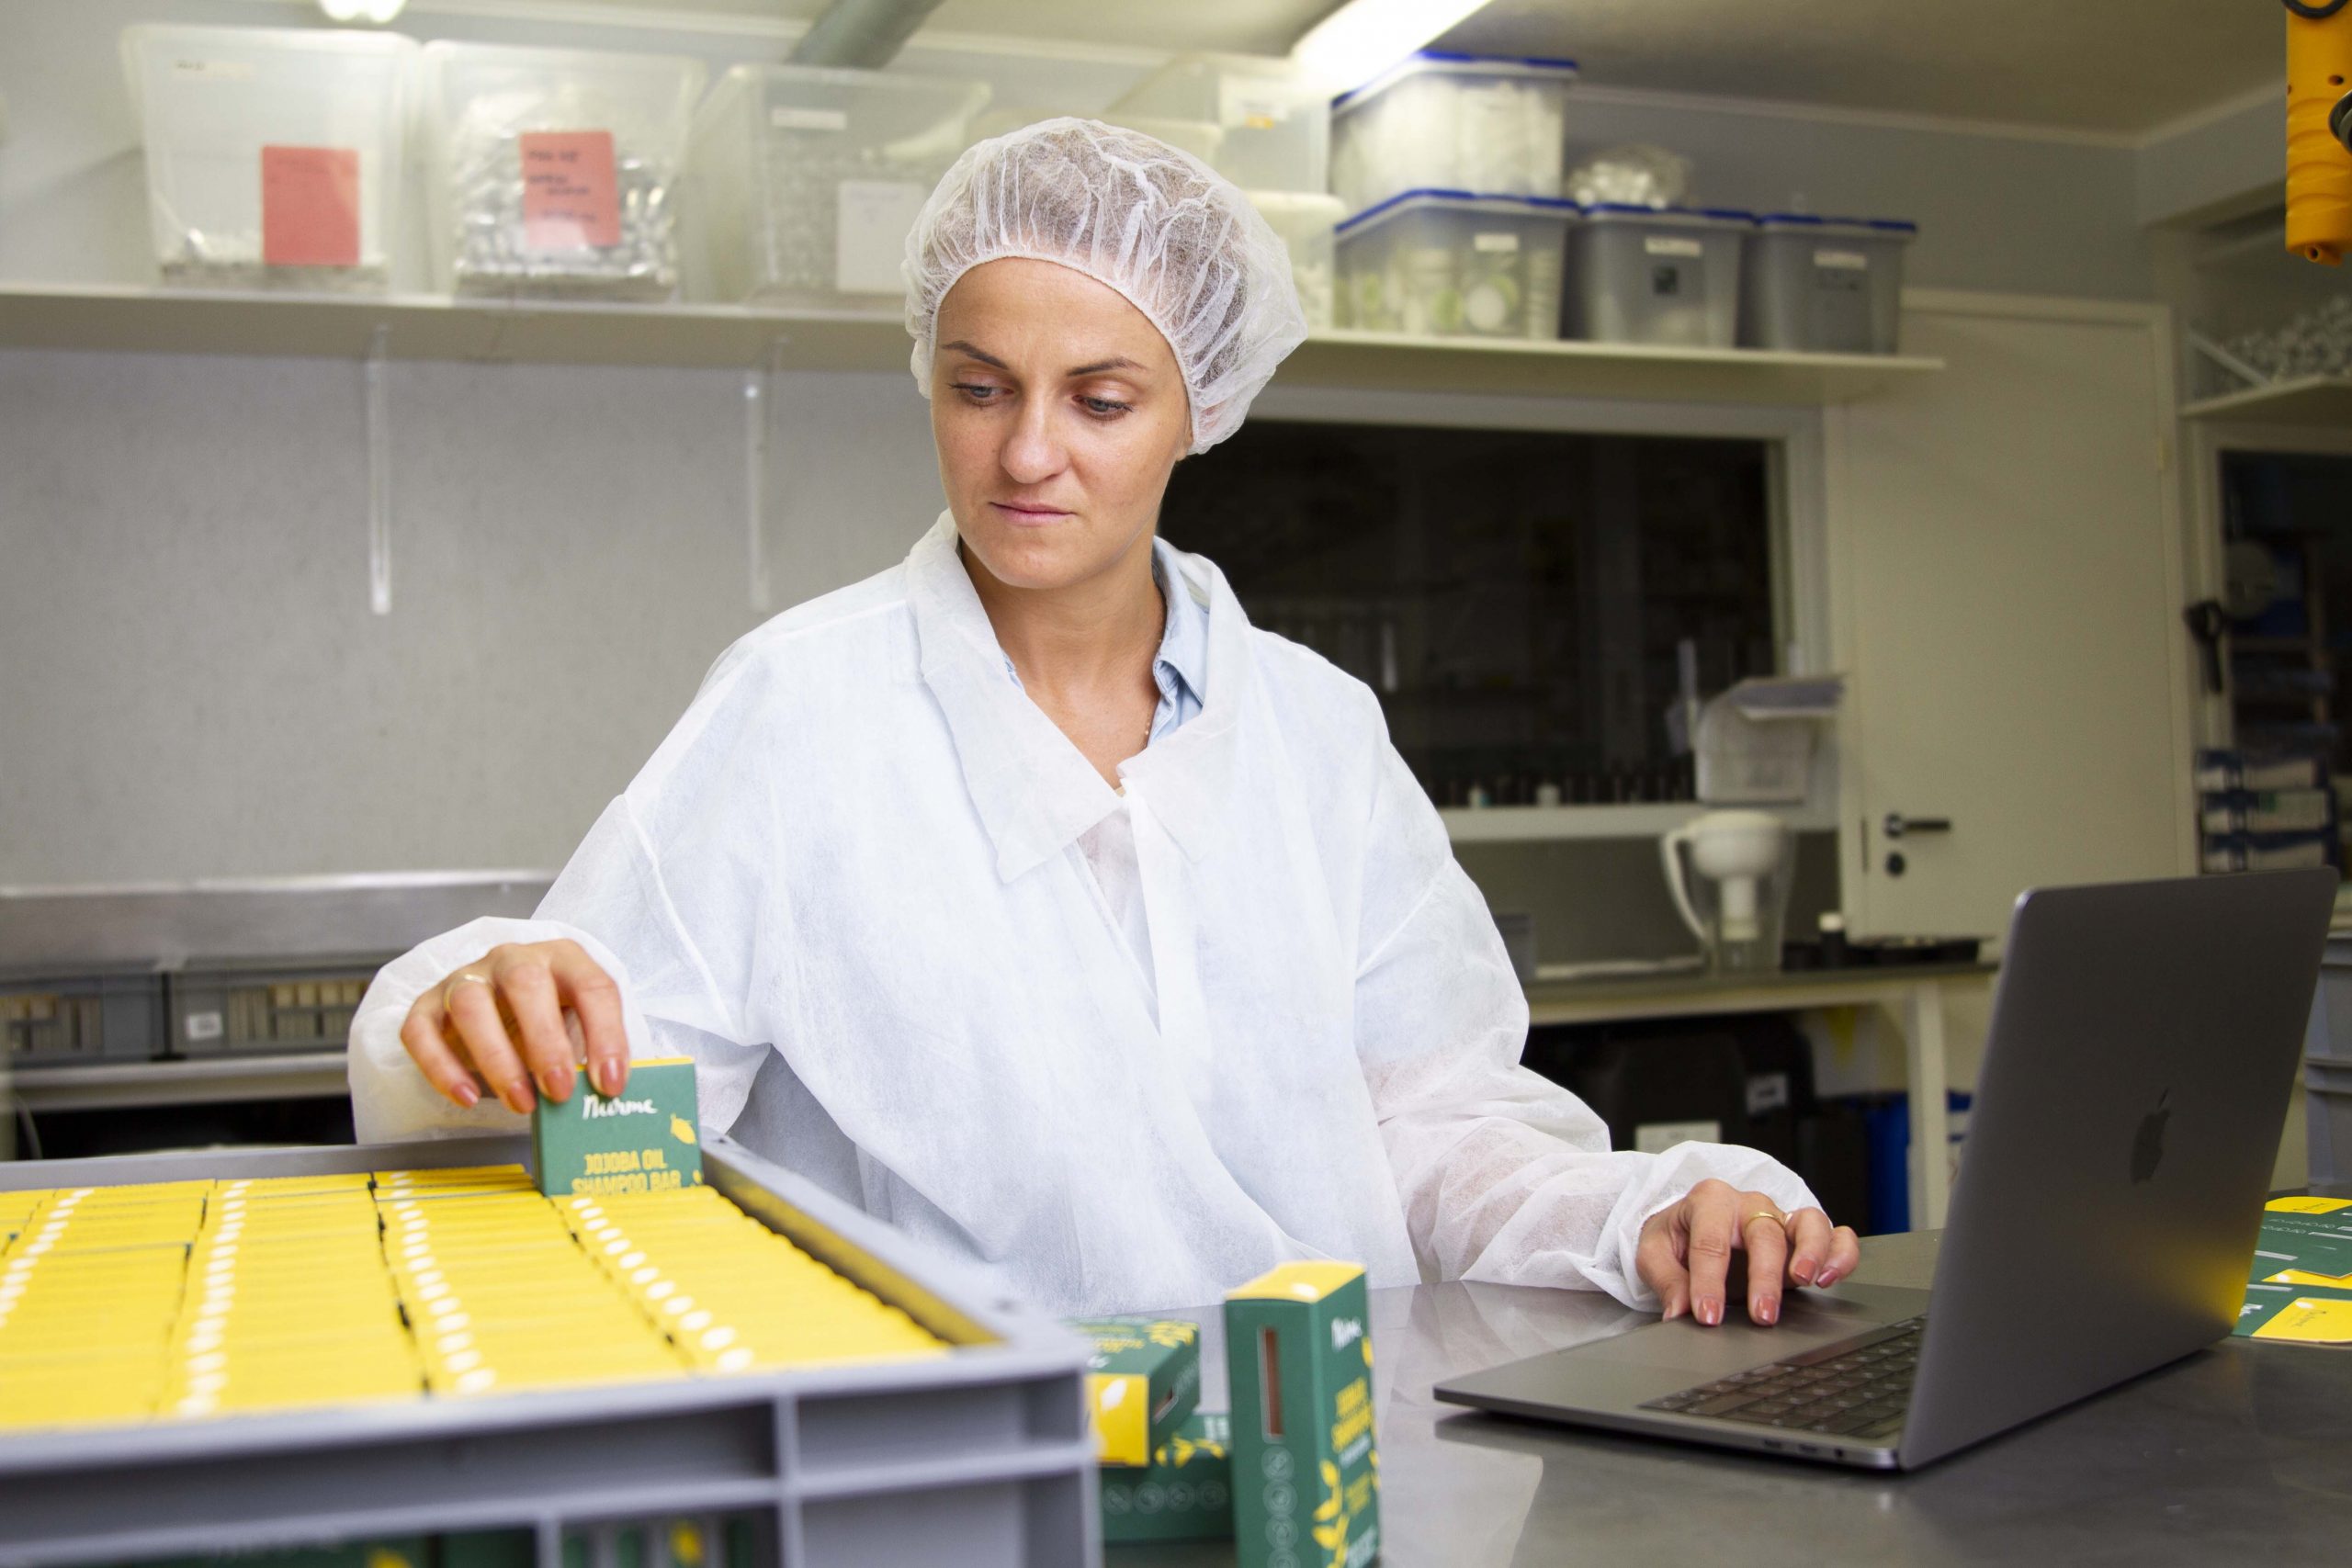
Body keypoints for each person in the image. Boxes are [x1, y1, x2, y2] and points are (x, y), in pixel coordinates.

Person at [350, 118, 1859, 1324]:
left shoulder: (1317, 736)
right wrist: (474, 1014)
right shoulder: (802, 708)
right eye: (980, 385)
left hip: (1326, 1449)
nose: (1027, 452)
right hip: (951, 1461)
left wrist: (1643, 1211)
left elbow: (1435, 1127)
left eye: (1101, 398)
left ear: (1200, 403)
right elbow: (597, 1088)